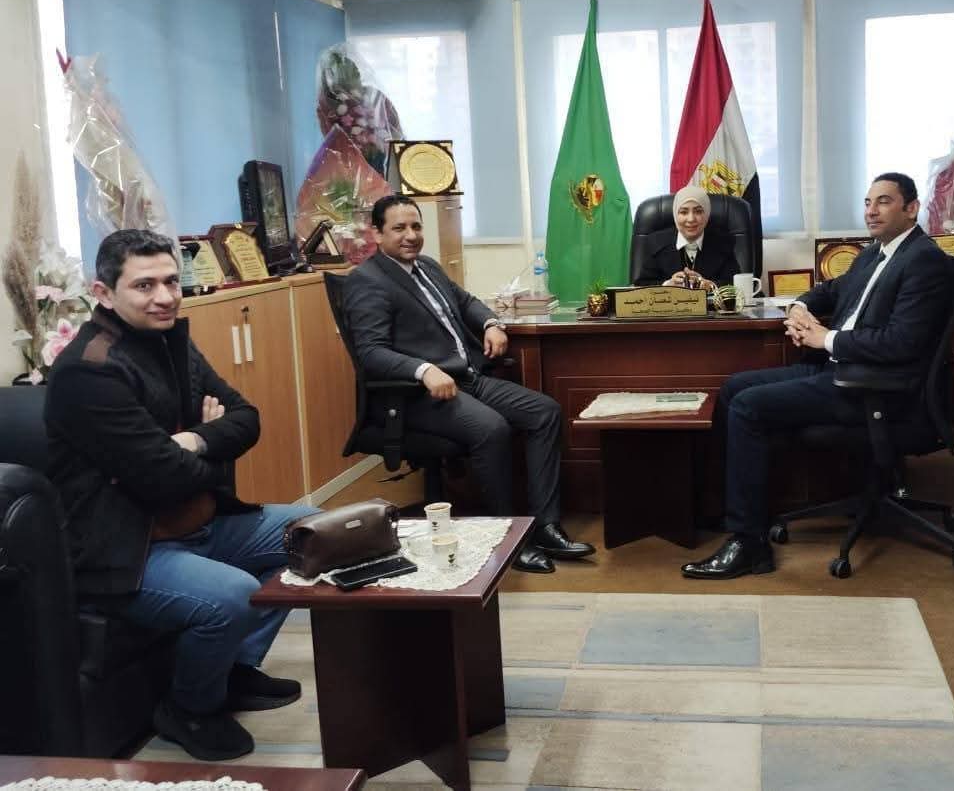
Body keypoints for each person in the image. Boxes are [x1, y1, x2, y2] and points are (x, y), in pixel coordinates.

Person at [43, 229, 312, 762]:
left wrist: (193, 439)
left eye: (171, 281)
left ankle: (232, 669)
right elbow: (162, 476)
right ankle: (189, 709)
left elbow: (247, 418)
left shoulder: (171, 340)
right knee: (232, 595)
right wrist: (208, 443)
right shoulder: (88, 370)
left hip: (196, 521)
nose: (165, 297)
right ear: (103, 293)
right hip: (129, 548)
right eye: (144, 285)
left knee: (312, 534)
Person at [682, 172, 953, 578]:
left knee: (749, 407)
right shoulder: (875, 253)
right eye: (867, 202)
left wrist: (825, 338)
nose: (871, 211)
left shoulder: (924, 260)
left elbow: (901, 343)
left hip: (875, 388)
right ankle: (730, 508)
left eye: (883, 202)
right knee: (735, 387)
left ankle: (749, 542)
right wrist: (799, 308)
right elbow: (830, 290)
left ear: (911, 209)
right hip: (842, 369)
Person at [344, 193, 595, 574]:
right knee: (491, 428)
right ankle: (508, 538)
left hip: (467, 378)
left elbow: (466, 302)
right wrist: (423, 370)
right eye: (399, 228)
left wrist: (491, 322)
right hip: (415, 396)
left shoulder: (426, 267)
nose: (411, 235)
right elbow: (370, 352)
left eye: (416, 226)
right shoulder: (367, 281)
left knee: (544, 411)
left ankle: (545, 525)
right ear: (377, 234)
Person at [633, 184, 741, 292]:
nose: (691, 219)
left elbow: (736, 284)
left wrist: (711, 286)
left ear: (707, 214)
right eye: (684, 212)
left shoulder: (724, 242)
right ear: (675, 214)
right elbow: (641, 285)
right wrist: (667, 285)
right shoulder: (656, 242)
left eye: (698, 211)